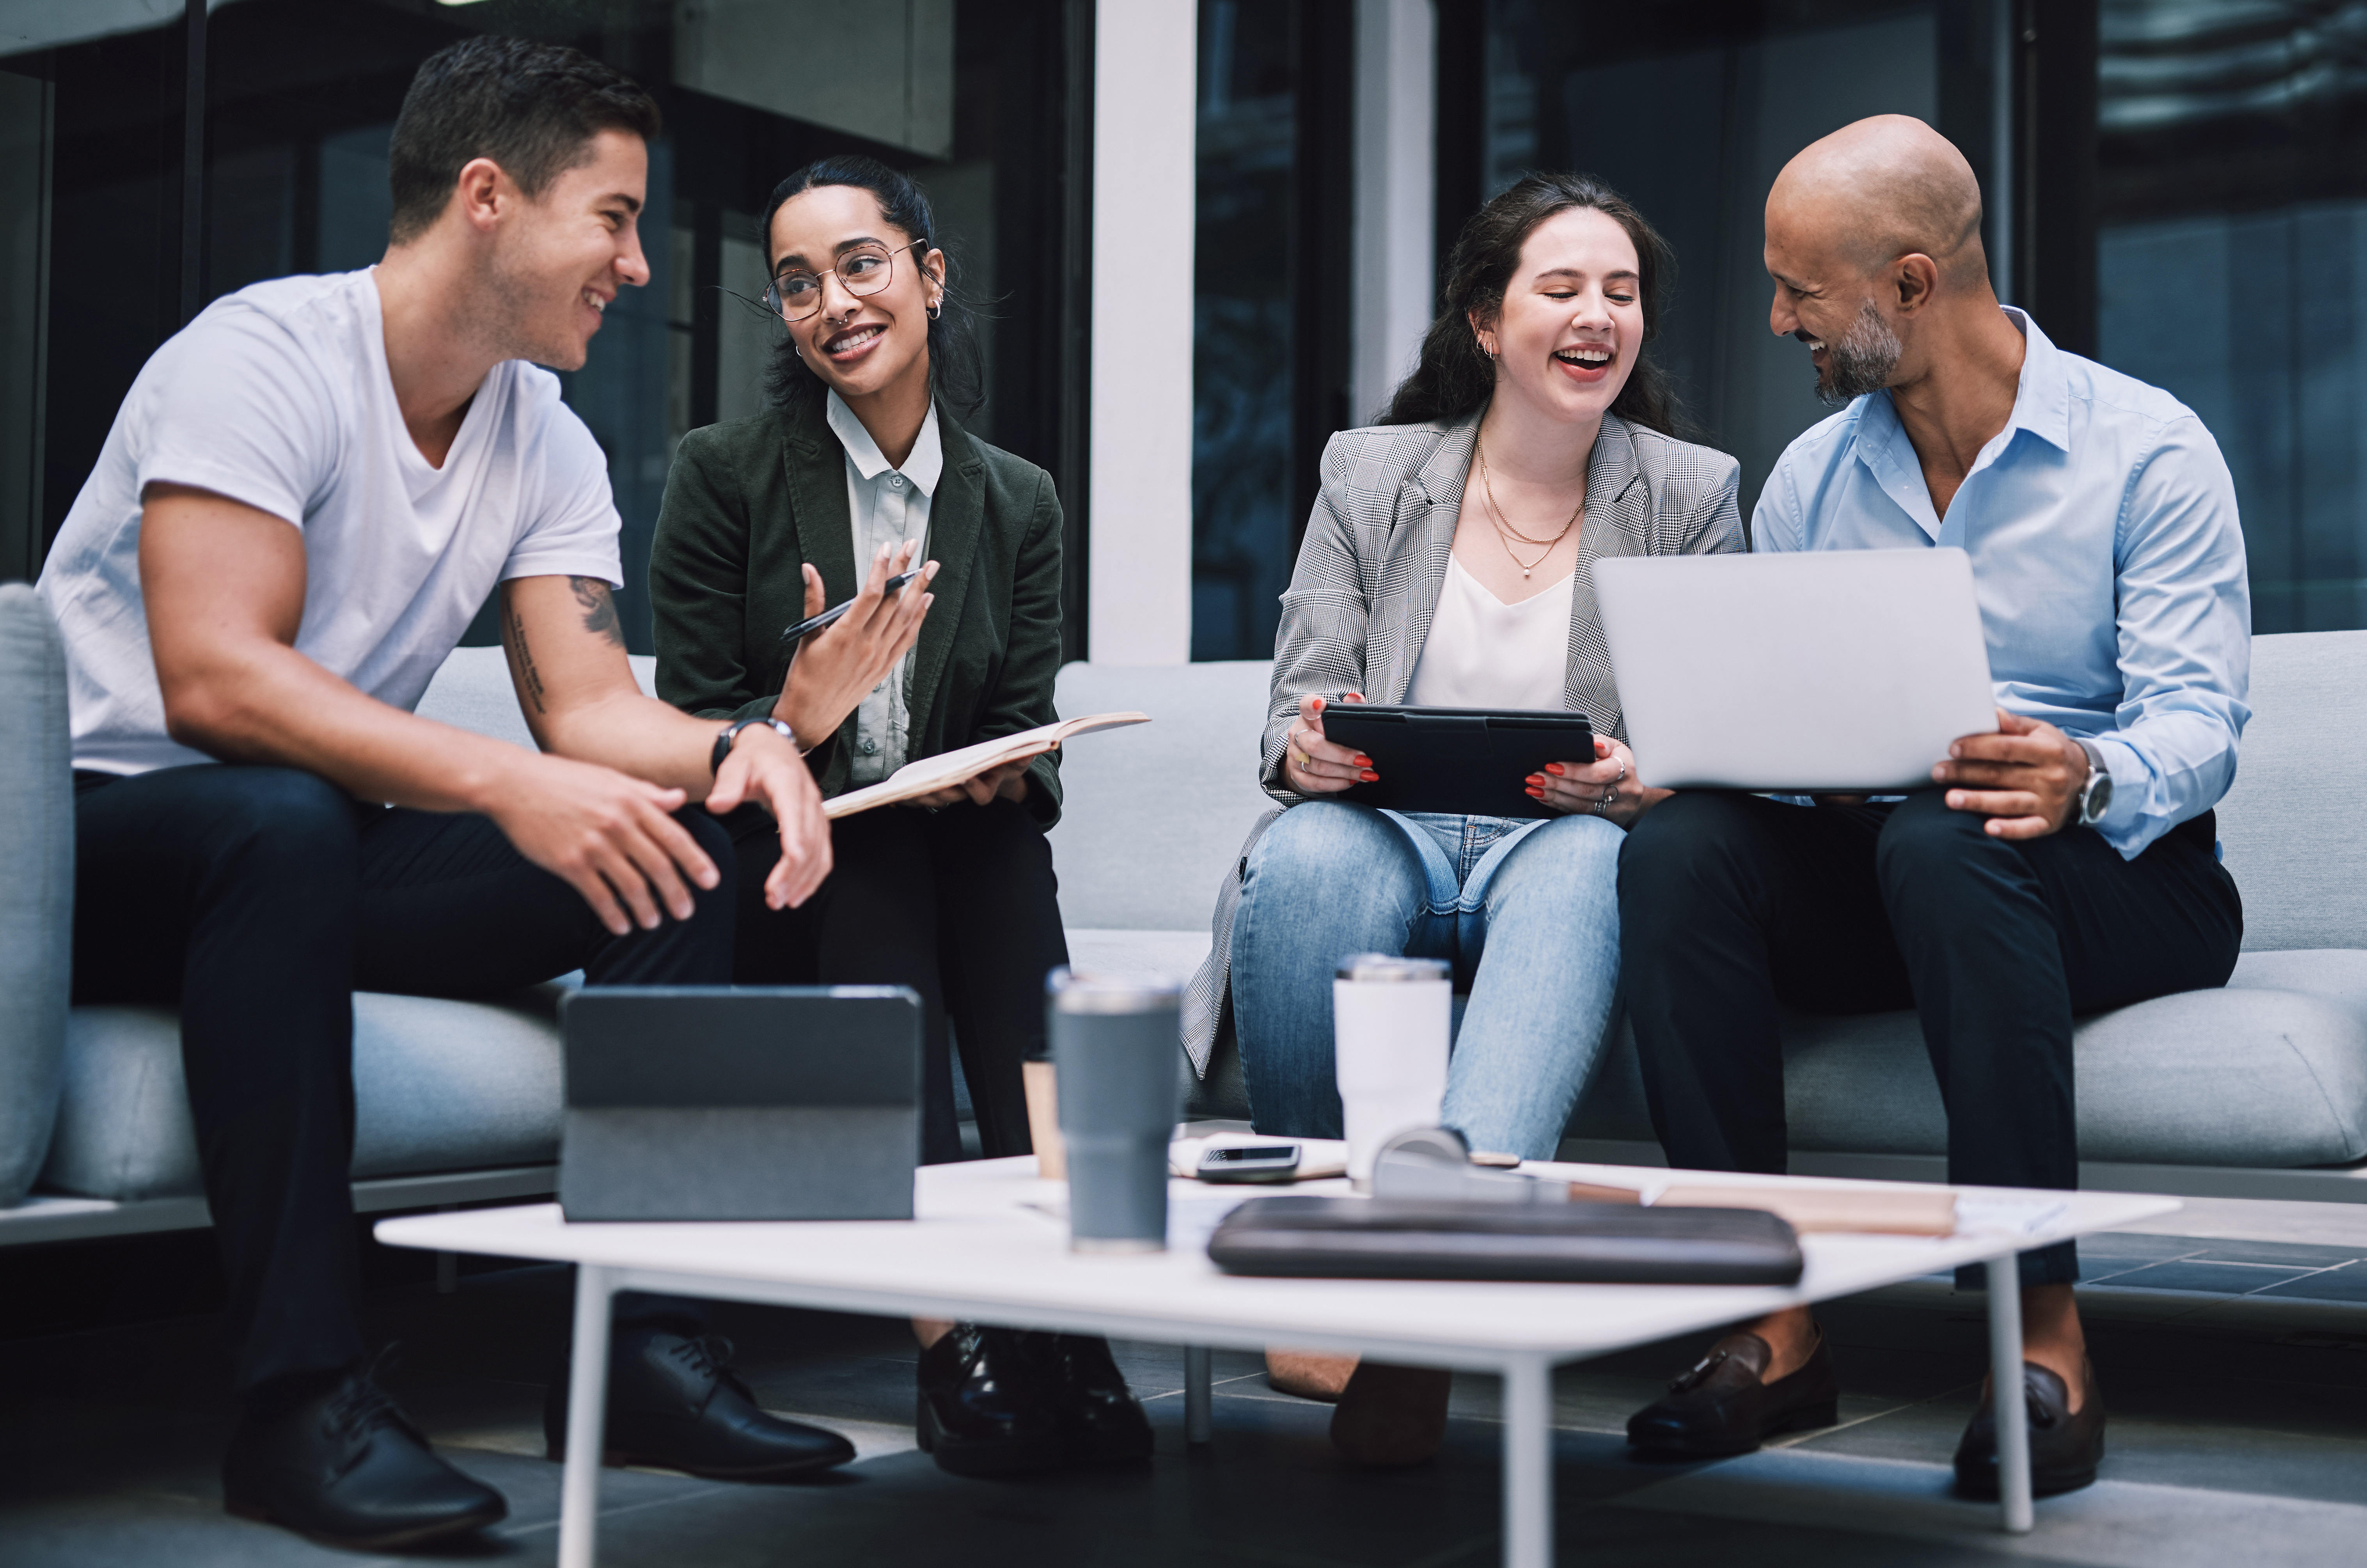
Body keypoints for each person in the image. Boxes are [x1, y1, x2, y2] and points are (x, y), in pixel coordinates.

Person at [36, 39, 856, 1551]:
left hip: (312, 849)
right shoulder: (260, 358)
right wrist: (506, 783)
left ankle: (648, 1350)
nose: (633, 259)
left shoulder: (541, 432)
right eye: (610, 218)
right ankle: (300, 1407)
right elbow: (215, 681)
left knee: (691, 841)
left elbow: (595, 709)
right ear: (488, 197)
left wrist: (743, 751)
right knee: (272, 818)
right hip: (118, 838)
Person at [1616, 115, 2247, 1501]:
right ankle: (1768, 1320)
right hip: (1904, 863)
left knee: (1945, 834)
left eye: (1798, 288)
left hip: (2117, 870)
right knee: (1681, 849)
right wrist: (1698, 756)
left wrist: (2086, 773)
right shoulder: (1813, 477)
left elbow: (2201, 724)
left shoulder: (2148, 451)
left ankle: (2035, 1325)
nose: (1774, 317)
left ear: (1909, 284)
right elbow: (1787, 736)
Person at [1186, 173, 1744, 1463]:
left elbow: (1709, 734)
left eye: (1621, 291)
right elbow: (1291, 704)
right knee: (1307, 856)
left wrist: (1638, 776)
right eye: (1561, 288)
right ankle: (1327, 1266)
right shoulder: (1373, 473)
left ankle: (1429, 1314)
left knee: (1587, 874)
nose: (1596, 314)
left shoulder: (1690, 491)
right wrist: (1309, 748)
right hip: (1382, 825)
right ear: (1487, 322)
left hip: (1565, 832)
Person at [647, 154, 1150, 1478]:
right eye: (796, 285)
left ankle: (1071, 1317)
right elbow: (691, 725)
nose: (831, 304)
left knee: (992, 850)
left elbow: (1026, 714)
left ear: (930, 276)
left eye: (859, 265)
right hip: (781, 862)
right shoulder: (722, 474)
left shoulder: (1017, 499)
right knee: (877, 857)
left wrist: (1004, 765)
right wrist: (799, 714)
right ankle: (953, 1333)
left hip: (957, 852)